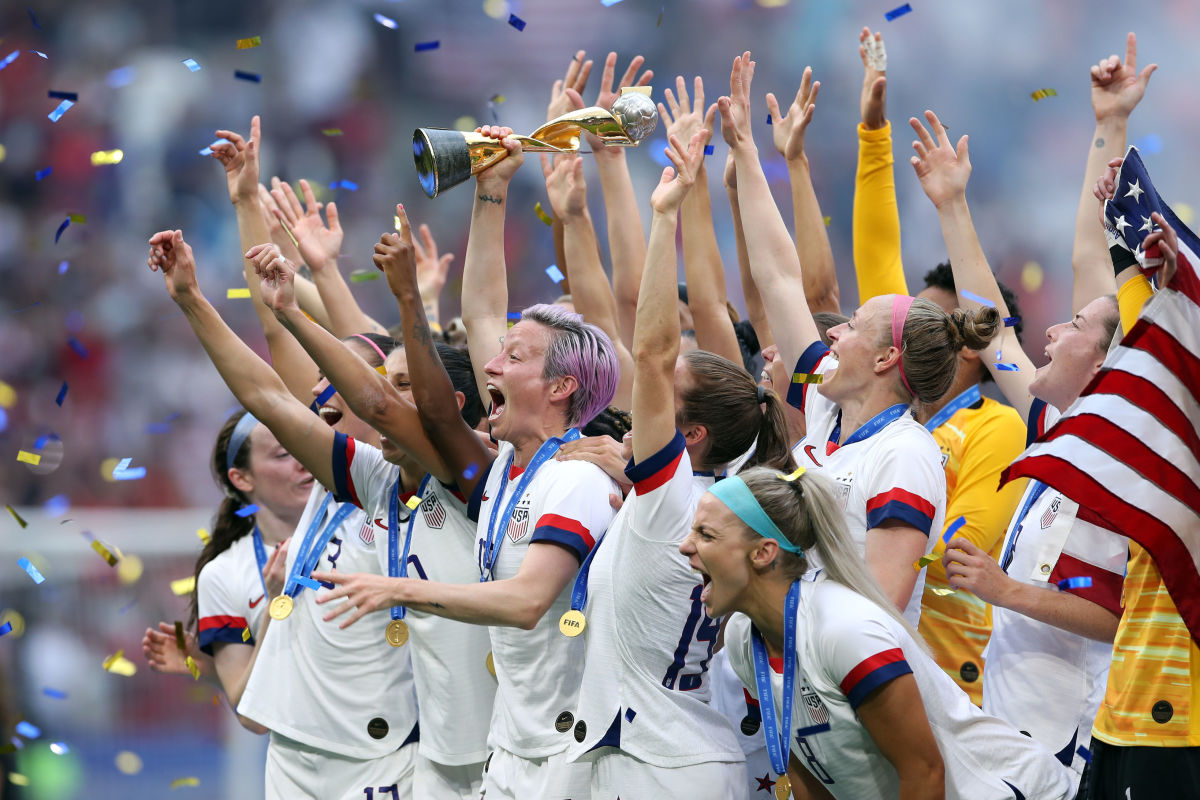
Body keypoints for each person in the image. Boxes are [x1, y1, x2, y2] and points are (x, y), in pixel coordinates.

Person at [316, 196, 620, 800]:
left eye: (515, 356)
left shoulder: (580, 478)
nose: (491, 365)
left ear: (561, 386)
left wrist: (398, 589)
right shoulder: (505, 468)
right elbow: (424, 409)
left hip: (572, 750)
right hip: (509, 744)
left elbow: (529, 600)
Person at [554, 127, 795, 798]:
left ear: (687, 436)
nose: (640, 391)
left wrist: (666, 215)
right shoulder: (719, 505)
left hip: (658, 764)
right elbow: (625, 332)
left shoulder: (674, 499)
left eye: (657, 396)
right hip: (676, 751)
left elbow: (655, 349)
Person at [720, 51, 999, 626]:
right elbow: (778, 277)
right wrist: (746, 150)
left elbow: (880, 608)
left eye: (850, 325)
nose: (834, 330)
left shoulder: (906, 454)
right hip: (793, 668)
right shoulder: (823, 409)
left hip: (846, 691)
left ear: (885, 356)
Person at [146, 228, 418, 800]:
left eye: (334, 381)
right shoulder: (333, 477)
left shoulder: (401, 483)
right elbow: (266, 392)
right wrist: (192, 298)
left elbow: (313, 364)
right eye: (319, 381)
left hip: (400, 761)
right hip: (298, 767)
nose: (317, 393)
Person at [909, 107, 1127, 782]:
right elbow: (990, 329)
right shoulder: (1057, 426)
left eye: (1076, 325)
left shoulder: (1119, 463)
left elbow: (1115, 611)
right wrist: (952, 204)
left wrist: (1006, 590)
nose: (1053, 330)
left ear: (1104, 361)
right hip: (1012, 717)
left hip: (1069, 734)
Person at [249, 237, 498, 800]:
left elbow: (384, 392)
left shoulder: (478, 484)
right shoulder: (364, 474)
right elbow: (272, 393)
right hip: (429, 754)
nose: (381, 392)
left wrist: (409, 298)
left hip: (491, 748)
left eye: (403, 383)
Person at [680, 466, 1073, 799]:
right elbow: (805, 771)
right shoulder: (743, 640)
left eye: (706, 534)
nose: (685, 547)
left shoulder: (844, 630)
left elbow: (923, 773)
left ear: (764, 552)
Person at [1080, 158, 1200, 795]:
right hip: (1122, 707)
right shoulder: (1166, 417)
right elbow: (1146, 331)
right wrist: (1122, 236)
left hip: (1181, 720)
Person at [141, 410, 312, 734]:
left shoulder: (364, 529)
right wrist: (277, 604)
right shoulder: (223, 575)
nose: (302, 462)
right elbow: (253, 716)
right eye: (283, 454)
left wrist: (213, 670)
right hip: (304, 774)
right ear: (242, 478)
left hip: (396, 756)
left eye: (302, 445)